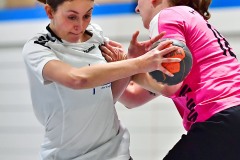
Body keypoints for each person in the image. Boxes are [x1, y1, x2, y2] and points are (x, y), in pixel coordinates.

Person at [22, 0, 181, 159]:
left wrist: (129, 60)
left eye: (87, 15)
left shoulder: (96, 34)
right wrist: (138, 63)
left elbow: (108, 98)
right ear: (50, 12)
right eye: (71, 17)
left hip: (117, 152)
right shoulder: (38, 47)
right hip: (68, 155)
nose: (80, 25)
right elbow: (76, 78)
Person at [102, 0, 240, 159]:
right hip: (229, 119)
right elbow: (133, 97)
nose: (137, 8)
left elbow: (170, 86)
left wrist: (130, 65)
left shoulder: (166, 16)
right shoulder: (188, 19)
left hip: (221, 117)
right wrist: (125, 67)